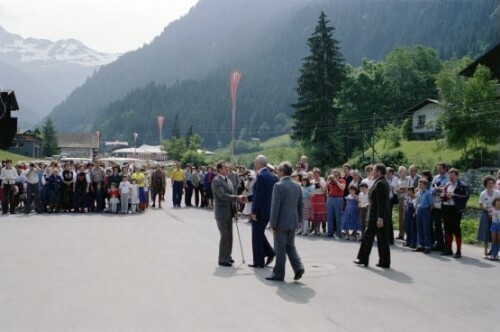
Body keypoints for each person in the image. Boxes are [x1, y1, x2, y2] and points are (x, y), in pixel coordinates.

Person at [266, 161, 305, 281]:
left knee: (280, 249)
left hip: (281, 222)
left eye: (278, 170)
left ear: (282, 172)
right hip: (292, 221)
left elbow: (275, 207)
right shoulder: (297, 185)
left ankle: (278, 274)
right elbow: (300, 205)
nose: (277, 172)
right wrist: (299, 220)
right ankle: (298, 267)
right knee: (290, 246)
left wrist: (272, 223)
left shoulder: (278, 186)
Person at [354, 163, 391, 268]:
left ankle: (362, 259)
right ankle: (384, 261)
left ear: (379, 172)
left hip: (376, 216)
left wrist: (380, 218)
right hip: (379, 215)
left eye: (374, 170)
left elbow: (381, 202)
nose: (372, 172)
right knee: (382, 239)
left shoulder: (380, 183)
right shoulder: (382, 182)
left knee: (367, 237)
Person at [211, 161, 243, 267]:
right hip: (221, 212)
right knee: (224, 236)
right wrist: (237, 198)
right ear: (219, 169)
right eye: (225, 168)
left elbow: (232, 196)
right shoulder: (216, 181)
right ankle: (222, 259)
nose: (227, 169)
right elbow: (223, 196)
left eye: (228, 168)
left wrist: (236, 211)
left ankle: (228, 256)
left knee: (230, 236)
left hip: (229, 212)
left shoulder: (228, 180)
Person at [248, 155, 277, 268]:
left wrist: (254, 212)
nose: (254, 164)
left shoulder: (260, 176)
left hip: (260, 211)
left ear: (259, 163)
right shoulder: (270, 175)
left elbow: (259, 196)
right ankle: (269, 252)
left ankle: (259, 262)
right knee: (259, 234)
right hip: (267, 209)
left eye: (255, 162)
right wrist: (247, 199)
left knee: (256, 236)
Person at [441, 168, 469, 258]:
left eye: (452, 176)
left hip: (455, 209)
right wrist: (444, 196)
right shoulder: (447, 184)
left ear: (457, 176)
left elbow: (465, 197)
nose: (450, 177)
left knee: (456, 229)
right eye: (449, 176)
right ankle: (448, 249)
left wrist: (453, 196)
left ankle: (458, 251)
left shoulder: (463, 185)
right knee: (447, 229)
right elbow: (444, 195)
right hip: (446, 207)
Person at [477, 176, 500, 258]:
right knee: (486, 232)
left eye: (492, 183)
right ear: (485, 184)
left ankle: (494, 252)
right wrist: (487, 210)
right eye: (489, 183)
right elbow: (480, 204)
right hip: (486, 214)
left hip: (496, 215)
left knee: (496, 234)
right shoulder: (483, 193)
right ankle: (485, 252)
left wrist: (494, 210)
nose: (491, 184)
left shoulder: (497, 193)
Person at [430, 162, 449, 251]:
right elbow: (431, 189)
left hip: (445, 204)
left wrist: (439, 189)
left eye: (440, 168)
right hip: (436, 204)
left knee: (446, 225)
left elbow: (446, 190)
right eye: (438, 168)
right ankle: (439, 243)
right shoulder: (436, 178)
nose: (438, 169)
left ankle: (447, 244)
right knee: (437, 224)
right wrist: (439, 190)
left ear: (445, 169)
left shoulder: (448, 178)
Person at [414, 178, 433, 253]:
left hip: (425, 210)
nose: (419, 186)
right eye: (419, 184)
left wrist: (428, 211)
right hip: (419, 210)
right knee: (419, 229)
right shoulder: (418, 193)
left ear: (425, 185)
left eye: (421, 184)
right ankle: (420, 245)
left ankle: (427, 246)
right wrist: (416, 211)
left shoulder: (428, 193)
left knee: (426, 229)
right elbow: (417, 203)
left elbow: (431, 205)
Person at [326, 169, 346, 238]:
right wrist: (328, 180)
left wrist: (336, 181)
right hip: (330, 198)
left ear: (339, 175)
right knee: (330, 216)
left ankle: (339, 233)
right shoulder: (330, 182)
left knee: (338, 217)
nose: (335, 176)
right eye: (333, 175)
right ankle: (330, 232)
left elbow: (343, 188)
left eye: (336, 175)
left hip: (338, 199)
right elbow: (326, 189)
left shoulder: (342, 180)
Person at [309, 168, 327, 235]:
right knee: (314, 214)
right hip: (313, 198)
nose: (316, 175)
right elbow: (309, 191)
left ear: (319, 174)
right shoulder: (311, 181)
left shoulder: (322, 181)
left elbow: (324, 191)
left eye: (317, 174)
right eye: (314, 174)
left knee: (319, 214)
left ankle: (318, 229)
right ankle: (314, 229)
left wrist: (319, 183)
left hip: (320, 198)